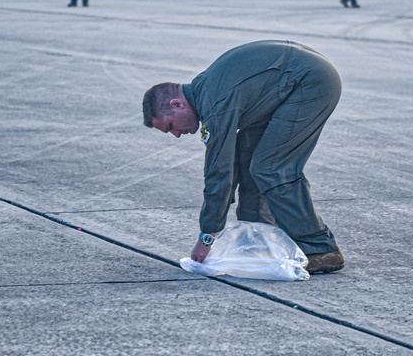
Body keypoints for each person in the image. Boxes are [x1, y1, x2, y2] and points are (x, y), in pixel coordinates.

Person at [143, 40, 343, 274]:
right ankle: (257, 242)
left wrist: (207, 235)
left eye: (170, 127)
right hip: (289, 82)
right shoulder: (207, 92)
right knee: (249, 160)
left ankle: (321, 248)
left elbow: (219, 172)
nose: (177, 134)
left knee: (272, 168)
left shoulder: (216, 104)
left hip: (310, 82)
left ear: (176, 104)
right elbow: (232, 164)